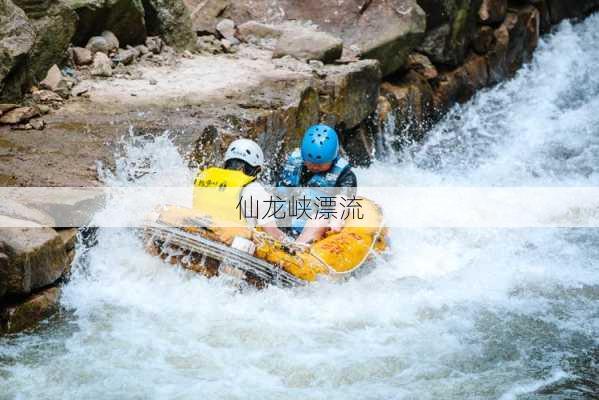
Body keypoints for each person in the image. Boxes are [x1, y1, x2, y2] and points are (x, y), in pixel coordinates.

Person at [193, 138, 289, 241]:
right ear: (257, 170)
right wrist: (289, 241)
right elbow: (272, 233)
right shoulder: (255, 191)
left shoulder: (204, 176)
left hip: (197, 235)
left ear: (226, 162)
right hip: (232, 246)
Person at [279, 124, 357, 244]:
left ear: (333, 157)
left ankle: (296, 249)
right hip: (286, 218)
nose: (314, 166)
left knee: (318, 219)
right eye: (310, 163)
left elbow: (342, 199)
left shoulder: (345, 175)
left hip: (315, 224)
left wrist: (336, 221)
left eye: (320, 164)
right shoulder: (293, 162)